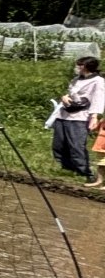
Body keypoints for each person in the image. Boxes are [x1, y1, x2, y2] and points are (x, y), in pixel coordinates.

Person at [50, 55, 105, 187]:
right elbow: (71, 93)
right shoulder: (76, 79)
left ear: (86, 67)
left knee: (76, 145)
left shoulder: (98, 81)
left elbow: (98, 99)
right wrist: (65, 97)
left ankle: (85, 172)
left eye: (79, 65)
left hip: (80, 116)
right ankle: (69, 168)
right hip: (64, 114)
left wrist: (94, 117)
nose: (77, 67)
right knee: (59, 144)